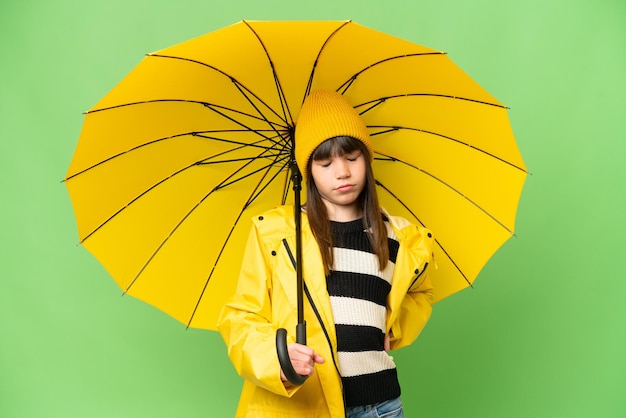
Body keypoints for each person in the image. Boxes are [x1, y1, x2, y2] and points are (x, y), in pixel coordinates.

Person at [218, 90, 435, 417]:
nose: (342, 172)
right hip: (307, 406)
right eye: (325, 162)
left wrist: (394, 328)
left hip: (384, 406)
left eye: (352, 158)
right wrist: (278, 358)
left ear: (367, 158)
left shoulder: (399, 236)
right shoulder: (278, 235)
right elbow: (241, 317)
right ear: (307, 171)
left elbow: (420, 292)